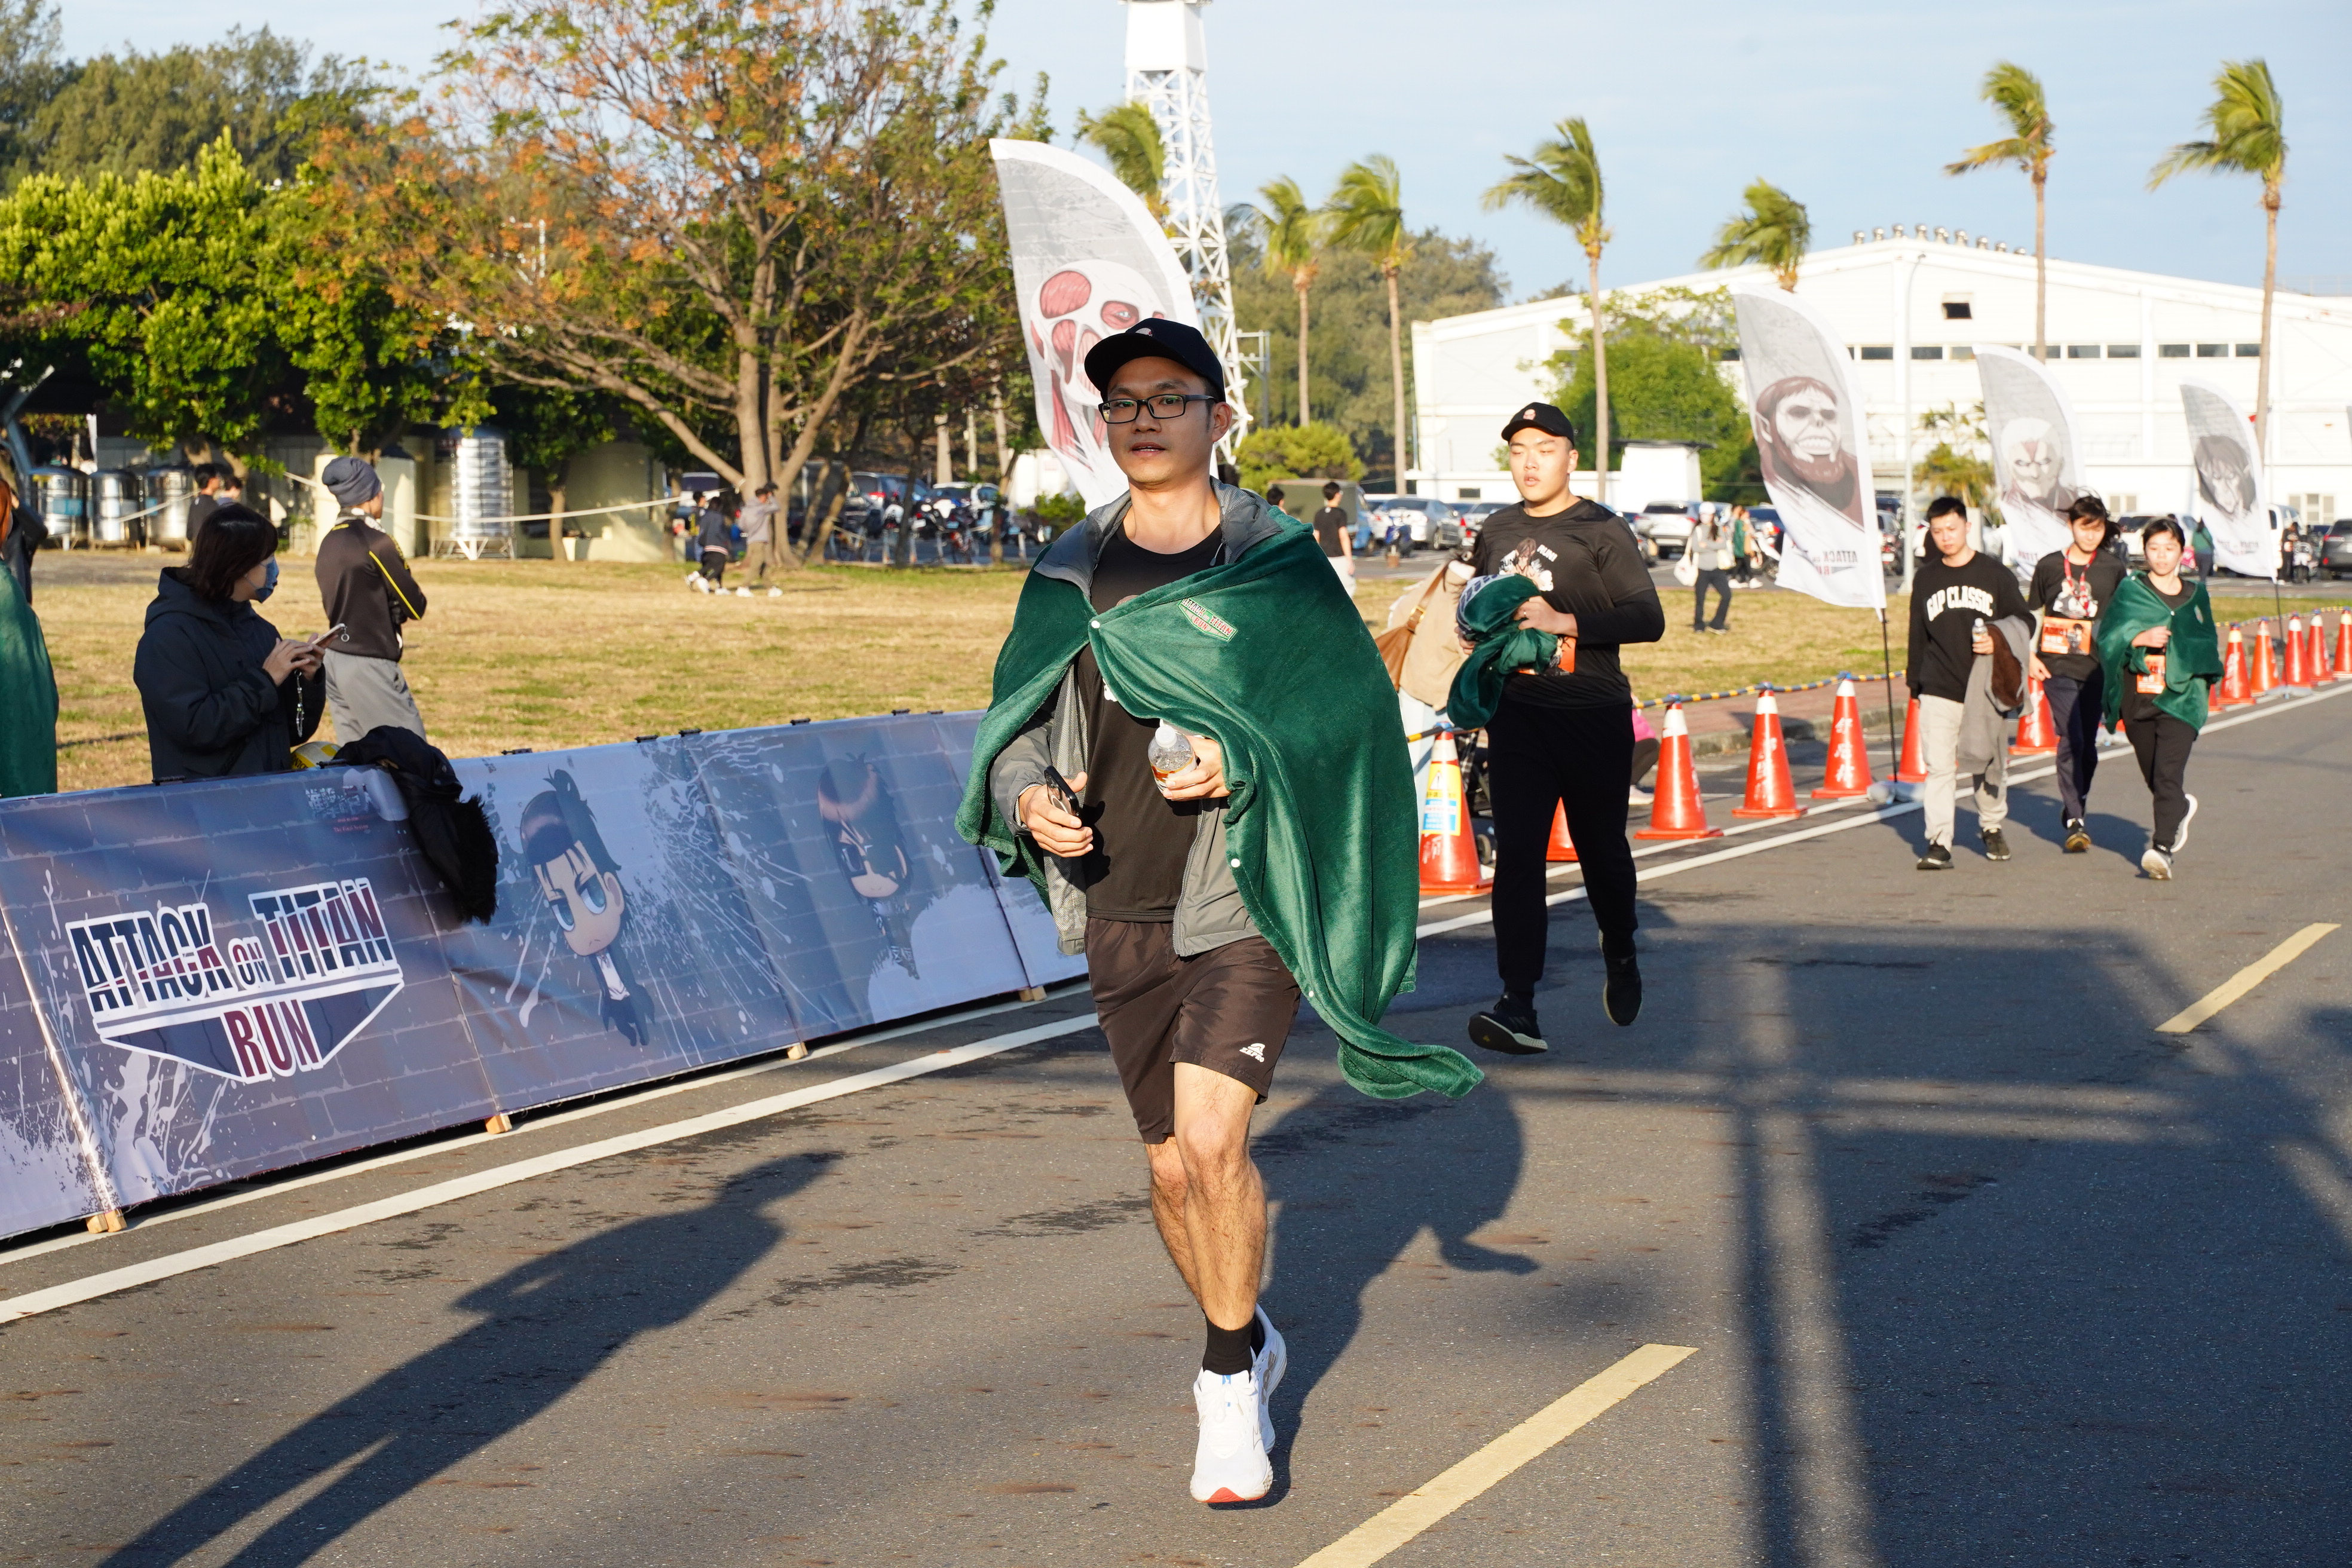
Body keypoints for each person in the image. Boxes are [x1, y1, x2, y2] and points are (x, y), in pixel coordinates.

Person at [958, 318, 1477, 1506]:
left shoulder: (1275, 565)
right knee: (1166, 1168)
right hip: (1116, 898)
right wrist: (1027, 791)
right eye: (1123, 402)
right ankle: (1247, 1330)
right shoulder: (1067, 571)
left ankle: (1227, 1381)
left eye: (1170, 397)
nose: (1144, 418)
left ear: (1219, 417)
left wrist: (1241, 763)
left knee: (1211, 1144)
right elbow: (1014, 722)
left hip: (1243, 890)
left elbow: (1342, 725)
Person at [1462, 402, 1664, 1055]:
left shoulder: (1601, 528)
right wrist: (1473, 631)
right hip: (1518, 716)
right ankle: (1517, 1004)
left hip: (1592, 715)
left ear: (1571, 458)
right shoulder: (1496, 529)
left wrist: (1563, 620)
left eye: (1544, 449)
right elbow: (1480, 601)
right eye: (1519, 450)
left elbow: (1648, 617)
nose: (1530, 462)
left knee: (1601, 849)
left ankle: (1621, 948)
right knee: (1519, 857)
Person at [136, 505, 324, 780]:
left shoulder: (262, 631)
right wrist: (265, 680)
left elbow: (292, 732)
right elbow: (195, 727)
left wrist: (307, 680)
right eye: (269, 559)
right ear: (240, 565)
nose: (275, 569)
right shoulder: (168, 637)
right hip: (205, 799)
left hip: (268, 794)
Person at [1906, 496, 2031, 870]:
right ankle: (1939, 842)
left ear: (1967, 527)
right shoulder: (1926, 578)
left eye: (1952, 528)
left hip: (1984, 689)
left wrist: (1997, 638)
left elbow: (2025, 620)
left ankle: (1991, 825)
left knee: (1987, 763)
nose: (1946, 537)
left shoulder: (1994, 574)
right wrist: (1915, 685)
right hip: (1938, 686)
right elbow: (1917, 634)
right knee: (1939, 768)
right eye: (1938, 531)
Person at [2096, 516, 2222, 880]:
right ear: (2145, 551)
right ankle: (2177, 808)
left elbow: (2206, 643)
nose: (2162, 555)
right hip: (2139, 697)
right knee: (2155, 774)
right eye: (2154, 548)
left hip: (2181, 698)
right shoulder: (2131, 591)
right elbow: (2107, 638)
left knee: (2168, 773)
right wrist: (2139, 639)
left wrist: (2184, 653)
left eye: (2169, 548)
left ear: (2182, 552)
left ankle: (2162, 848)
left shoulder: (2196, 594)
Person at [2027, 495, 2125, 853]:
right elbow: (2032, 613)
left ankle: (2076, 800)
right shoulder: (2050, 565)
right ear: (2071, 526)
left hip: (2097, 666)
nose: (2091, 535)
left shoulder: (2112, 568)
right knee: (2072, 736)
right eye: (2085, 528)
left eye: (2097, 529)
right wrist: (2029, 656)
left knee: (2087, 745)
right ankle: (2075, 820)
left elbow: (2123, 617)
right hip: (2057, 665)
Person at [315, 455, 430, 743]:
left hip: (336, 658)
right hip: (370, 661)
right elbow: (415, 606)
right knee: (412, 754)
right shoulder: (376, 541)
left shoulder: (330, 540)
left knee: (359, 758)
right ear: (370, 494)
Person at [1386, 548, 1473, 800]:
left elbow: (1401, 611)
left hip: (1411, 677)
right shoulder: (1470, 591)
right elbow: (1467, 648)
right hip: (1438, 691)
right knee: (1431, 772)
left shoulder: (1443, 574)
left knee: (1413, 763)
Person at [1689, 507, 1734, 633]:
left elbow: (1723, 545)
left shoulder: (1718, 528)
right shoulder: (1697, 529)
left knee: (1727, 595)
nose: (1705, 517)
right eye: (1703, 514)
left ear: (1713, 515)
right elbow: (1696, 547)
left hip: (1717, 568)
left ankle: (1717, 624)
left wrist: (1706, 544)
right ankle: (1699, 625)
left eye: (1707, 514)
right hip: (1701, 569)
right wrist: (1714, 544)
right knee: (1700, 599)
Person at [1312, 480, 1354, 587]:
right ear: (1337, 495)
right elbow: (1343, 536)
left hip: (1324, 557)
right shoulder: (1340, 513)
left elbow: (1316, 536)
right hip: (1339, 557)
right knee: (1349, 586)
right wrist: (1349, 560)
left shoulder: (1319, 513)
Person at [742, 483, 782, 583]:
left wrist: (750, 531)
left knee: (762, 565)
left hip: (751, 540)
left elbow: (741, 525)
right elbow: (777, 507)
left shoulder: (746, 509)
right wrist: (771, 496)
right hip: (759, 540)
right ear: (763, 497)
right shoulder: (763, 509)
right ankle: (744, 586)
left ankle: (770, 587)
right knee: (756, 565)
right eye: (766, 497)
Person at [691, 493, 733, 589]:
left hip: (706, 543)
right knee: (720, 565)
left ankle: (693, 577)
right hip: (717, 544)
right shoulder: (716, 516)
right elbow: (719, 531)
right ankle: (705, 580)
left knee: (710, 564)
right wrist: (726, 542)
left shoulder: (705, 514)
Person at [185, 463, 227, 541]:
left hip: (197, 547)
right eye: (217, 477)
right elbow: (219, 532)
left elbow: (189, 534)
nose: (219, 480)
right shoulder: (212, 505)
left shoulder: (194, 503)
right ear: (211, 481)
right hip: (209, 547)